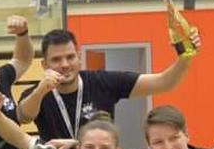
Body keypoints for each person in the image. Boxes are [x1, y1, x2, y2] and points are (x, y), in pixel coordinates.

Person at [17, 28, 200, 141]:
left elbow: (164, 83)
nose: (65, 64)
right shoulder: (36, 93)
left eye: (70, 57)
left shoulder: (103, 82)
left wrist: (186, 56)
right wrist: (42, 90)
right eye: (56, 59)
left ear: (79, 58)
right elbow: (24, 116)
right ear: (44, 65)